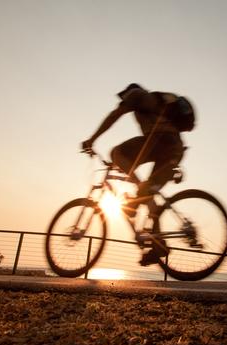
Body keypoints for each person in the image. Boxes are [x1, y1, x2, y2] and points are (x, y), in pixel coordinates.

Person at [81, 83, 190, 265]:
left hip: (160, 141)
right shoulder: (153, 106)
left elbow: (114, 116)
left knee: (116, 153)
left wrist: (92, 139)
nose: (122, 103)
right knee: (148, 194)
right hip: (174, 149)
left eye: (122, 99)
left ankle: (133, 203)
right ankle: (158, 246)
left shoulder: (136, 94)